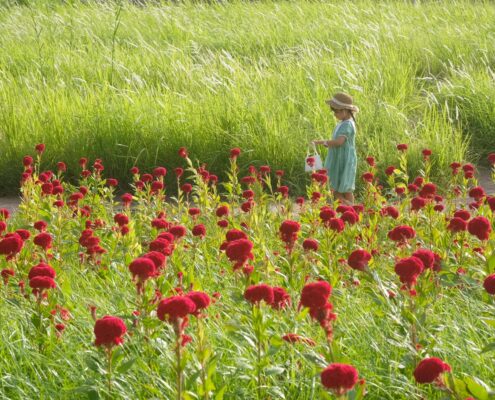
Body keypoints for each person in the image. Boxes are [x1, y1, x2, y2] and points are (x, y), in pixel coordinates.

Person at [312, 92, 359, 205]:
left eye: (336, 111)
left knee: (342, 188)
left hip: (343, 160)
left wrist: (322, 142)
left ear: (345, 110)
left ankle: (350, 208)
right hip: (338, 158)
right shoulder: (343, 123)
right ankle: (349, 208)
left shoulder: (347, 125)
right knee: (338, 187)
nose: (334, 114)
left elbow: (339, 142)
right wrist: (327, 143)